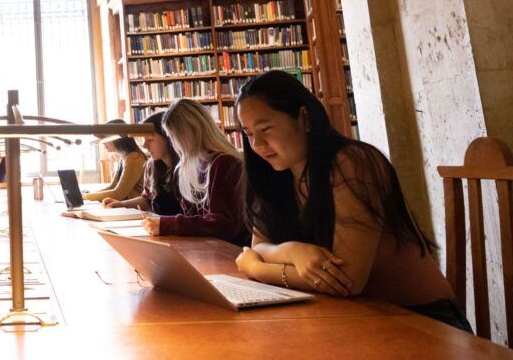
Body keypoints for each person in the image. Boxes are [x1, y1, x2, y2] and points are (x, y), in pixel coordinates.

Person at [232, 70, 472, 332]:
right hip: (355, 320)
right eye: (248, 134)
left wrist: (257, 269)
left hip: (423, 323)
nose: (258, 144)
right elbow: (259, 247)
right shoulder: (273, 177)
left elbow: (346, 280)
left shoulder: (351, 164)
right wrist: (292, 251)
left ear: (303, 118)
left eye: (265, 129)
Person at [139, 99, 249, 245]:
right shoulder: (188, 167)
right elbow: (191, 218)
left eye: (172, 136)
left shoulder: (224, 163)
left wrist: (167, 224)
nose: (173, 143)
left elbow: (223, 225)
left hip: (233, 252)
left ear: (189, 132)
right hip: (208, 249)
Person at [102, 111, 182, 217]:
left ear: (169, 138)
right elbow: (147, 199)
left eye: (150, 139)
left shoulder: (187, 168)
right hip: (159, 228)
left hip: (177, 230)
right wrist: (121, 204)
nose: (144, 145)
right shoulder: (151, 166)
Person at [84, 121, 146, 202]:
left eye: (105, 138)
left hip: (136, 209)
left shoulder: (134, 158)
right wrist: (89, 195)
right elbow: (112, 187)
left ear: (117, 138)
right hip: (128, 207)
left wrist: (86, 197)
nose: (103, 143)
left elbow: (118, 194)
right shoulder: (123, 158)